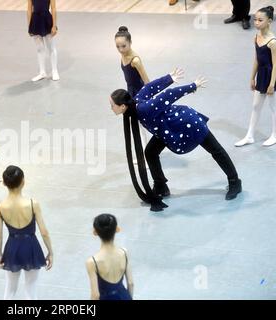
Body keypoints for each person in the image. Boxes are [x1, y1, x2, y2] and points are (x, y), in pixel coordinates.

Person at [109, 68, 242, 211]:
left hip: (188, 123)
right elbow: (149, 87)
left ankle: (235, 182)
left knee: (216, 150)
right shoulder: (136, 101)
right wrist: (169, 78)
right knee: (150, 152)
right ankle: (161, 186)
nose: (111, 108)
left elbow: (168, 95)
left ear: (123, 106)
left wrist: (192, 86)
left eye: (112, 105)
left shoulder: (143, 109)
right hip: (168, 128)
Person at [0, 165, 53, 300]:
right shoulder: (33, 204)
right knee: (31, 288)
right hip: (31, 247)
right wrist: (50, 252)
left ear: (4, 183)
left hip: (12, 247)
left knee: (10, 288)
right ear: (23, 181)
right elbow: (44, 232)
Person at [235, 6, 276, 147]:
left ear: (269, 21)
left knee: (273, 107)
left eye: (260, 20)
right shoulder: (256, 37)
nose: (256, 23)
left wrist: (272, 84)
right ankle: (250, 136)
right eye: (255, 19)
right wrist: (252, 77)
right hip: (262, 76)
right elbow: (257, 59)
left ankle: (274, 135)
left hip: (272, 76)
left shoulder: (272, 42)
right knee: (255, 105)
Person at [115, 26, 150, 154]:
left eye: (123, 46)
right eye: (118, 47)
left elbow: (147, 81)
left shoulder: (135, 60)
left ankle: (146, 153)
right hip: (131, 94)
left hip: (140, 94)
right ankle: (143, 152)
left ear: (130, 42)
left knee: (142, 125)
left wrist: (148, 98)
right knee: (136, 125)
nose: (120, 49)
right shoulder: (122, 56)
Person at [86, 214, 133, 300]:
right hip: (124, 296)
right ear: (117, 229)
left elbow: (95, 295)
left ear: (95, 232)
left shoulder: (92, 262)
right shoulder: (124, 252)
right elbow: (130, 283)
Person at [28, 0, 59, 81]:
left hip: (46, 20)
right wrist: (29, 26)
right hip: (35, 21)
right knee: (39, 49)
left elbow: (53, 8)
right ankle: (42, 72)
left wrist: (54, 25)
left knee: (51, 47)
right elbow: (29, 9)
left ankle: (54, 71)